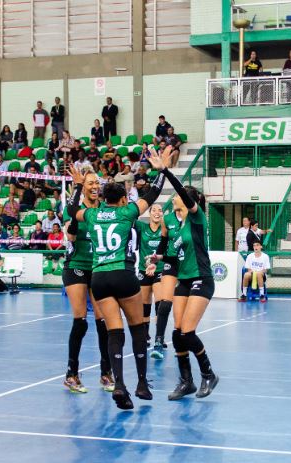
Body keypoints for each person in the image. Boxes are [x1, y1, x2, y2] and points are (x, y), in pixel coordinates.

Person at [66, 149, 166, 409]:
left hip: (99, 277)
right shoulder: (127, 213)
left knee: (114, 331)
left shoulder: (93, 215)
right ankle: (141, 383)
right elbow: (152, 194)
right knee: (137, 328)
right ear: (123, 200)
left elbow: (71, 210)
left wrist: (77, 188)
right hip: (122, 274)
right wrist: (162, 171)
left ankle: (119, 384)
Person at [148, 152, 221, 401]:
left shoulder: (197, 218)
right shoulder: (176, 225)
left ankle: (208, 374)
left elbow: (182, 190)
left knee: (188, 332)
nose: (174, 198)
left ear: (188, 200)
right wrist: (158, 259)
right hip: (185, 280)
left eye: (179, 195)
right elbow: (172, 254)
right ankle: (186, 382)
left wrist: (165, 171)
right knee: (177, 333)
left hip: (202, 278)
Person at [60, 168, 113, 393]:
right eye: (90, 183)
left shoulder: (103, 210)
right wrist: (76, 186)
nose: (94, 186)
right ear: (83, 187)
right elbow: (70, 236)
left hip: (98, 268)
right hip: (77, 268)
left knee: (103, 323)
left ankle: (106, 373)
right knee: (80, 320)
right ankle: (71, 374)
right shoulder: (74, 210)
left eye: (96, 183)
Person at [134, 203, 170, 360]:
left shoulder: (165, 229)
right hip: (144, 269)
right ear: (149, 213)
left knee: (160, 303)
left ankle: (159, 338)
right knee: (144, 305)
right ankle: (145, 336)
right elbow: (130, 217)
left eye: (160, 210)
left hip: (159, 270)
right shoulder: (142, 227)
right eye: (154, 210)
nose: (157, 212)